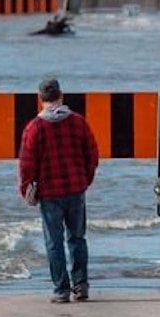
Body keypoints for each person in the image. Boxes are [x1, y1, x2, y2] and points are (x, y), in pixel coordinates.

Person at [18, 78, 100, 302]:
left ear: (40, 99)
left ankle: (61, 290)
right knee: (77, 238)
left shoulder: (34, 128)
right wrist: (85, 179)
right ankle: (81, 285)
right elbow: (92, 154)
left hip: (49, 193)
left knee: (54, 242)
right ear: (61, 96)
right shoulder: (78, 122)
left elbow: (26, 164)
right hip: (75, 189)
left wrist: (27, 190)